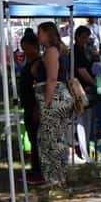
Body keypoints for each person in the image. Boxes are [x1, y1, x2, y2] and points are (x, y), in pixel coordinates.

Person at [35, 21, 72, 184]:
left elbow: (52, 78)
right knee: (58, 138)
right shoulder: (61, 50)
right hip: (62, 97)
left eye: (40, 33)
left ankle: (54, 178)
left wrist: (46, 103)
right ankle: (60, 176)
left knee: (49, 140)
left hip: (54, 98)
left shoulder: (51, 51)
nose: (38, 36)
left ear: (47, 34)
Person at [19, 29, 45, 185]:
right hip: (27, 104)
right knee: (32, 138)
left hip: (34, 105)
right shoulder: (28, 63)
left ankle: (39, 170)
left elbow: (39, 87)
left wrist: (37, 108)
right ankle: (35, 168)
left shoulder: (38, 64)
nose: (24, 51)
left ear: (34, 47)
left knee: (36, 140)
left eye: (27, 48)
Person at [73, 25, 96, 93]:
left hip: (84, 86)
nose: (86, 40)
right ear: (77, 37)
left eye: (87, 38)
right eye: (84, 37)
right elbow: (82, 71)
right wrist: (94, 84)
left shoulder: (83, 49)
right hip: (81, 87)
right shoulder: (76, 51)